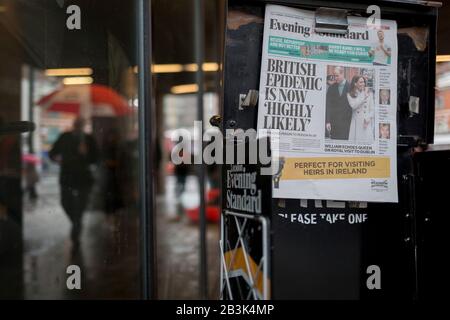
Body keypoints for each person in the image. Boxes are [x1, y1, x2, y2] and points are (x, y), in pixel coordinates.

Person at [49, 118, 98, 249]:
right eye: (76, 124)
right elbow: (52, 153)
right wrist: (56, 158)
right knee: (65, 203)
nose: (78, 126)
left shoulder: (88, 139)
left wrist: (86, 153)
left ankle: (76, 233)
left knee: (80, 207)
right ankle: (76, 223)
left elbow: (96, 158)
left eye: (80, 124)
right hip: (67, 177)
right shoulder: (65, 137)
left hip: (83, 179)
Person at [325, 67, 352, 140]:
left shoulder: (351, 87)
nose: (335, 78)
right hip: (334, 125)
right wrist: (328, 121)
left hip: (347, 125)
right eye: (334, 76)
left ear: (342, 74)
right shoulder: (331, 88)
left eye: (337, 75)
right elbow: (328, 105)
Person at [347, 75, 374, 142]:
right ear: (355, 83)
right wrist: (364, 95)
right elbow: (354, 105)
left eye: (364, 82)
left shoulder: (369, 93)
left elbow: (372, 110)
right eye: (361, 82)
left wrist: (367, 119)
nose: (363, 84)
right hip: (356, 124)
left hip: (366, 123)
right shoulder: (350, 94)